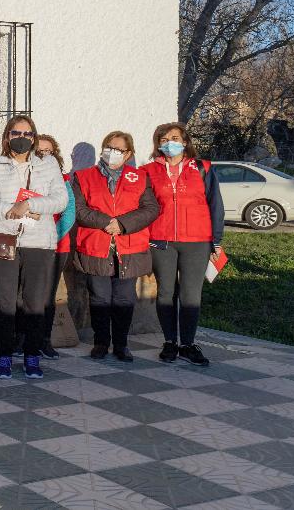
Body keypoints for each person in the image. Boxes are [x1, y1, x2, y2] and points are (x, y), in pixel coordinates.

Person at [0, 115, 68, 379]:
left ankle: (31, 355)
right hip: (4, 238)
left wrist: (31, 205)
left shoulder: (48, 164)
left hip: (39, 242)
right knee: (4, 301)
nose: (22, 138)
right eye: (16, 133)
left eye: (28, 134)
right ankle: (4, 354)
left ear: (34, 137)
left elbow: (60, 199)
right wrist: (11, 210)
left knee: (35, 302)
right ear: (7, 137)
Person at [141, 123, 225, 366]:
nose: (169, 142)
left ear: (185, 141)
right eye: (164, 139)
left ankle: (187, 344)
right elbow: (144, 207)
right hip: (161, 240)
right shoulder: (148, 171)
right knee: (166, 293)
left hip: (197, 241)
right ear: (158, 144)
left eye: (175, 137)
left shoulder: (203, 168)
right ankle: (170, 342)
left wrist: (215, 241)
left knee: (190, 294)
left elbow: (215, 206)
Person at [72, 131, 160, 362]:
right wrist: (104, 222)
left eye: (119, 149)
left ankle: (121, 344)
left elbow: (151, 209)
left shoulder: (139, 177)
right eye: (109, 147)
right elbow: (79, 210)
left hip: (128, 247)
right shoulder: (83, 176)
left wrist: (122, 224)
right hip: (96, 245)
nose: (113, 152)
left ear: (128, 153)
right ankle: (101, 342)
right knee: (99, 299)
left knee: (124, 299)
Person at [34, 135, 76, 359]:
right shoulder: (25, 176)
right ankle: (24, 338)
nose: (44, 154)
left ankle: (44, 339)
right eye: (39, 151)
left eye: (48, 151)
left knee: (47, 295)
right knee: (27, 295)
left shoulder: (64, 180)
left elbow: (68, 214)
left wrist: (52, 236)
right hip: (30, 244)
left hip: (56, 246)